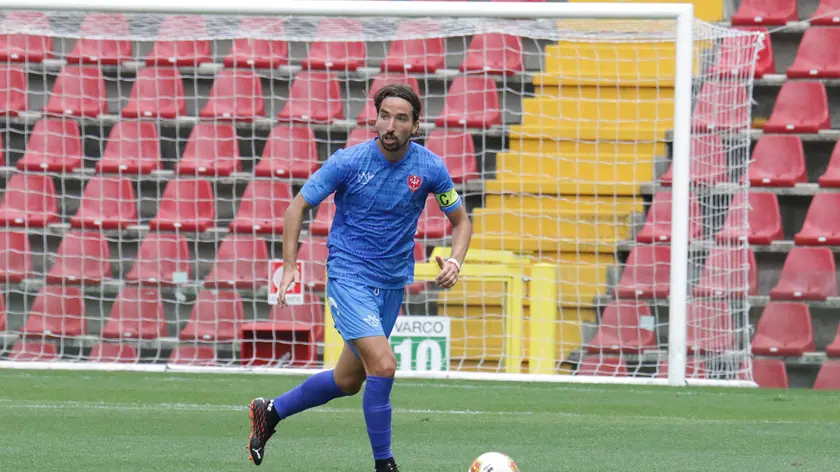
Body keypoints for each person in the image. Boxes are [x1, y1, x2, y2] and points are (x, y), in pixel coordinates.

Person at [247, 84, 473, 472]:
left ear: (415, 125)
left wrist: (456, 260)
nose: (390, 125)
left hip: (390, 284)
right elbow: (296, 207)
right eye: (384, 115)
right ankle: (385, 465)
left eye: (401, 118)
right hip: (349, 278)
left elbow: (461, 220)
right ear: (375, 118)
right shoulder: (348, 162)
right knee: (383, 365)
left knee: (348, 380)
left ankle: (271, 411)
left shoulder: (430, 168)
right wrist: (289, 266)